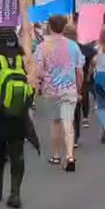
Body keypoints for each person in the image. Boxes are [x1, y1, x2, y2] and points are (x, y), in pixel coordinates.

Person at [0, 0, 39, 209]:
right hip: (20, 114)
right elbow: (28, 34)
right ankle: (16, 193)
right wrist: (24, 10)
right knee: (17, 153)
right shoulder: (25, 59)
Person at [34, 14, 84, 171]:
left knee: (55, 122)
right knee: (68, 122)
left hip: (52, 89)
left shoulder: (42, 47)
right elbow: (79, 71)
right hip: (69, 88)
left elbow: (38, 70)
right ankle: (70, 155)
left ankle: (56, 155)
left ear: (49, 26)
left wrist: (46, 77)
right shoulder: (73, 46)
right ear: (64, 27)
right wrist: (79, 87)